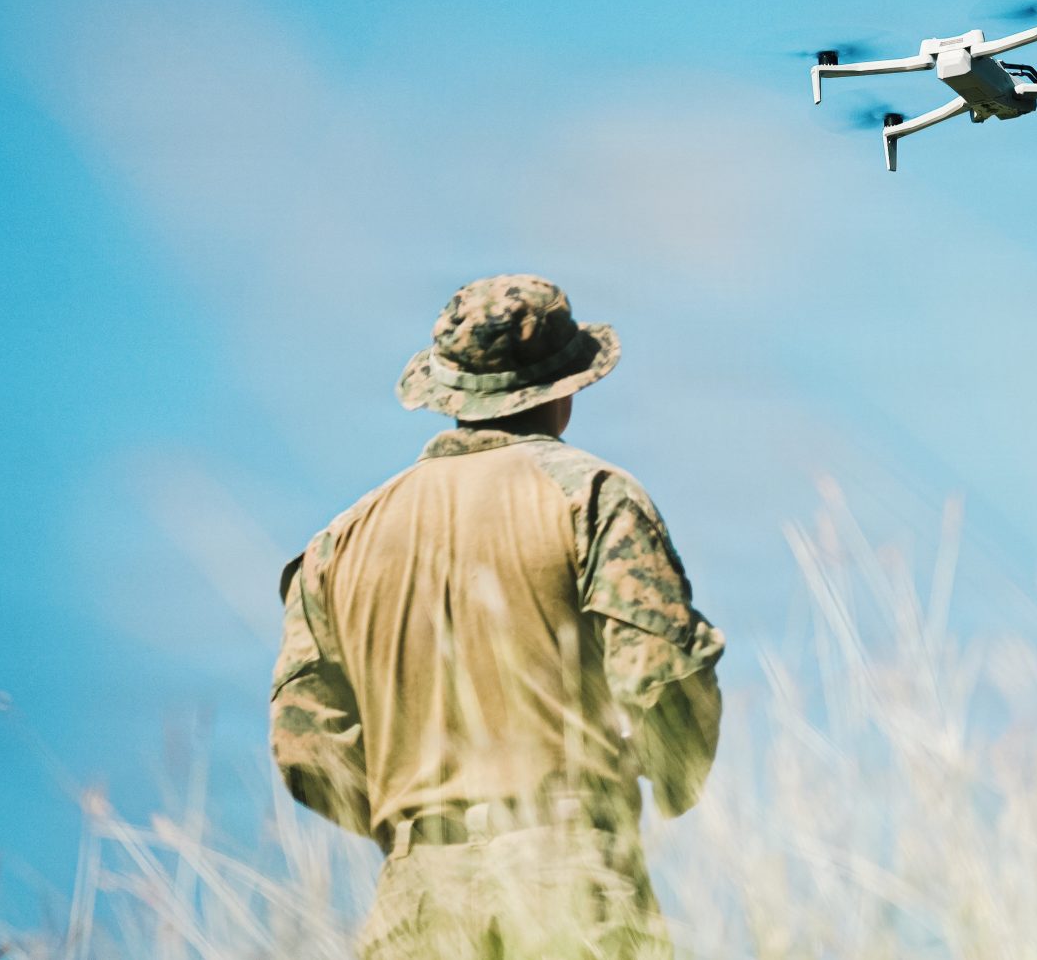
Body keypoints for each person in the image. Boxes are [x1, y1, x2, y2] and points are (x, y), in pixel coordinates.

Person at [269, 274, 724, 958]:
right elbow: (660, 677)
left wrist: (414, 826)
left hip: (417, 901)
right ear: (564, 390)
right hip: (569, 873)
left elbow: (305, 744)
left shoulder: (341, 541)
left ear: (445, 392)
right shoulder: (593, 498)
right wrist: (667, 777)